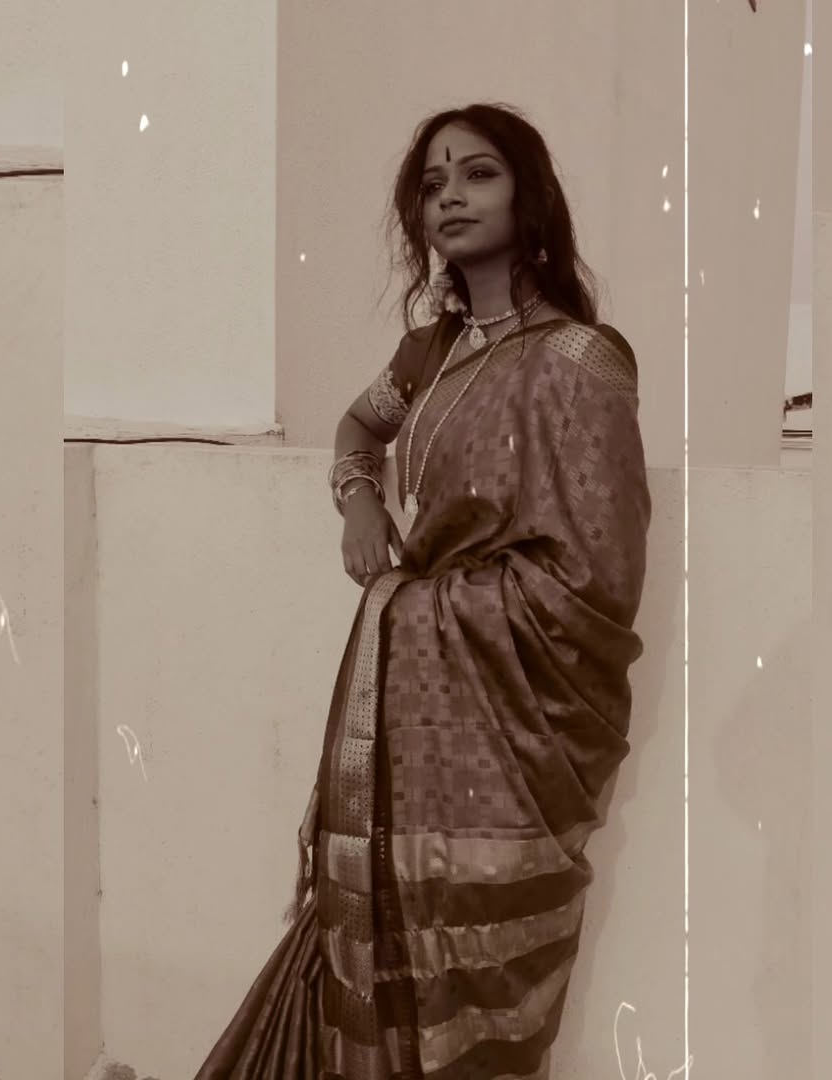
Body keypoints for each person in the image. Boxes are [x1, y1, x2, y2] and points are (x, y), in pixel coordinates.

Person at [193, 102, 651, 1080]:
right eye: (433, 183)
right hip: (413, 700)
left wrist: (422, 609)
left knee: (481, 944)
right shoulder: (429, 355)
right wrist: (359, 505)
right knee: (384, 930)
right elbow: (357, 431)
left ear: (529, 198)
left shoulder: (579, 357)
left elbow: (599, 577)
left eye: (479, 174)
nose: (451, 196)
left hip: (514, 715)